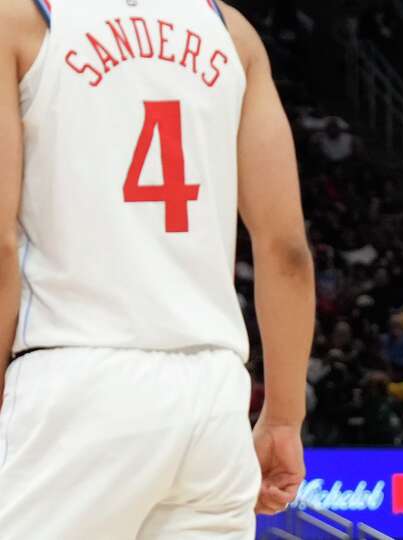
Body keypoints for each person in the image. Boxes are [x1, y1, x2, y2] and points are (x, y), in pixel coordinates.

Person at [0, 0, 315, 538]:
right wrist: (284, 419)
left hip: (76, 378)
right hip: (214, 398)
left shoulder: (21, 18)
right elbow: (285, 248)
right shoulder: (230, 30)